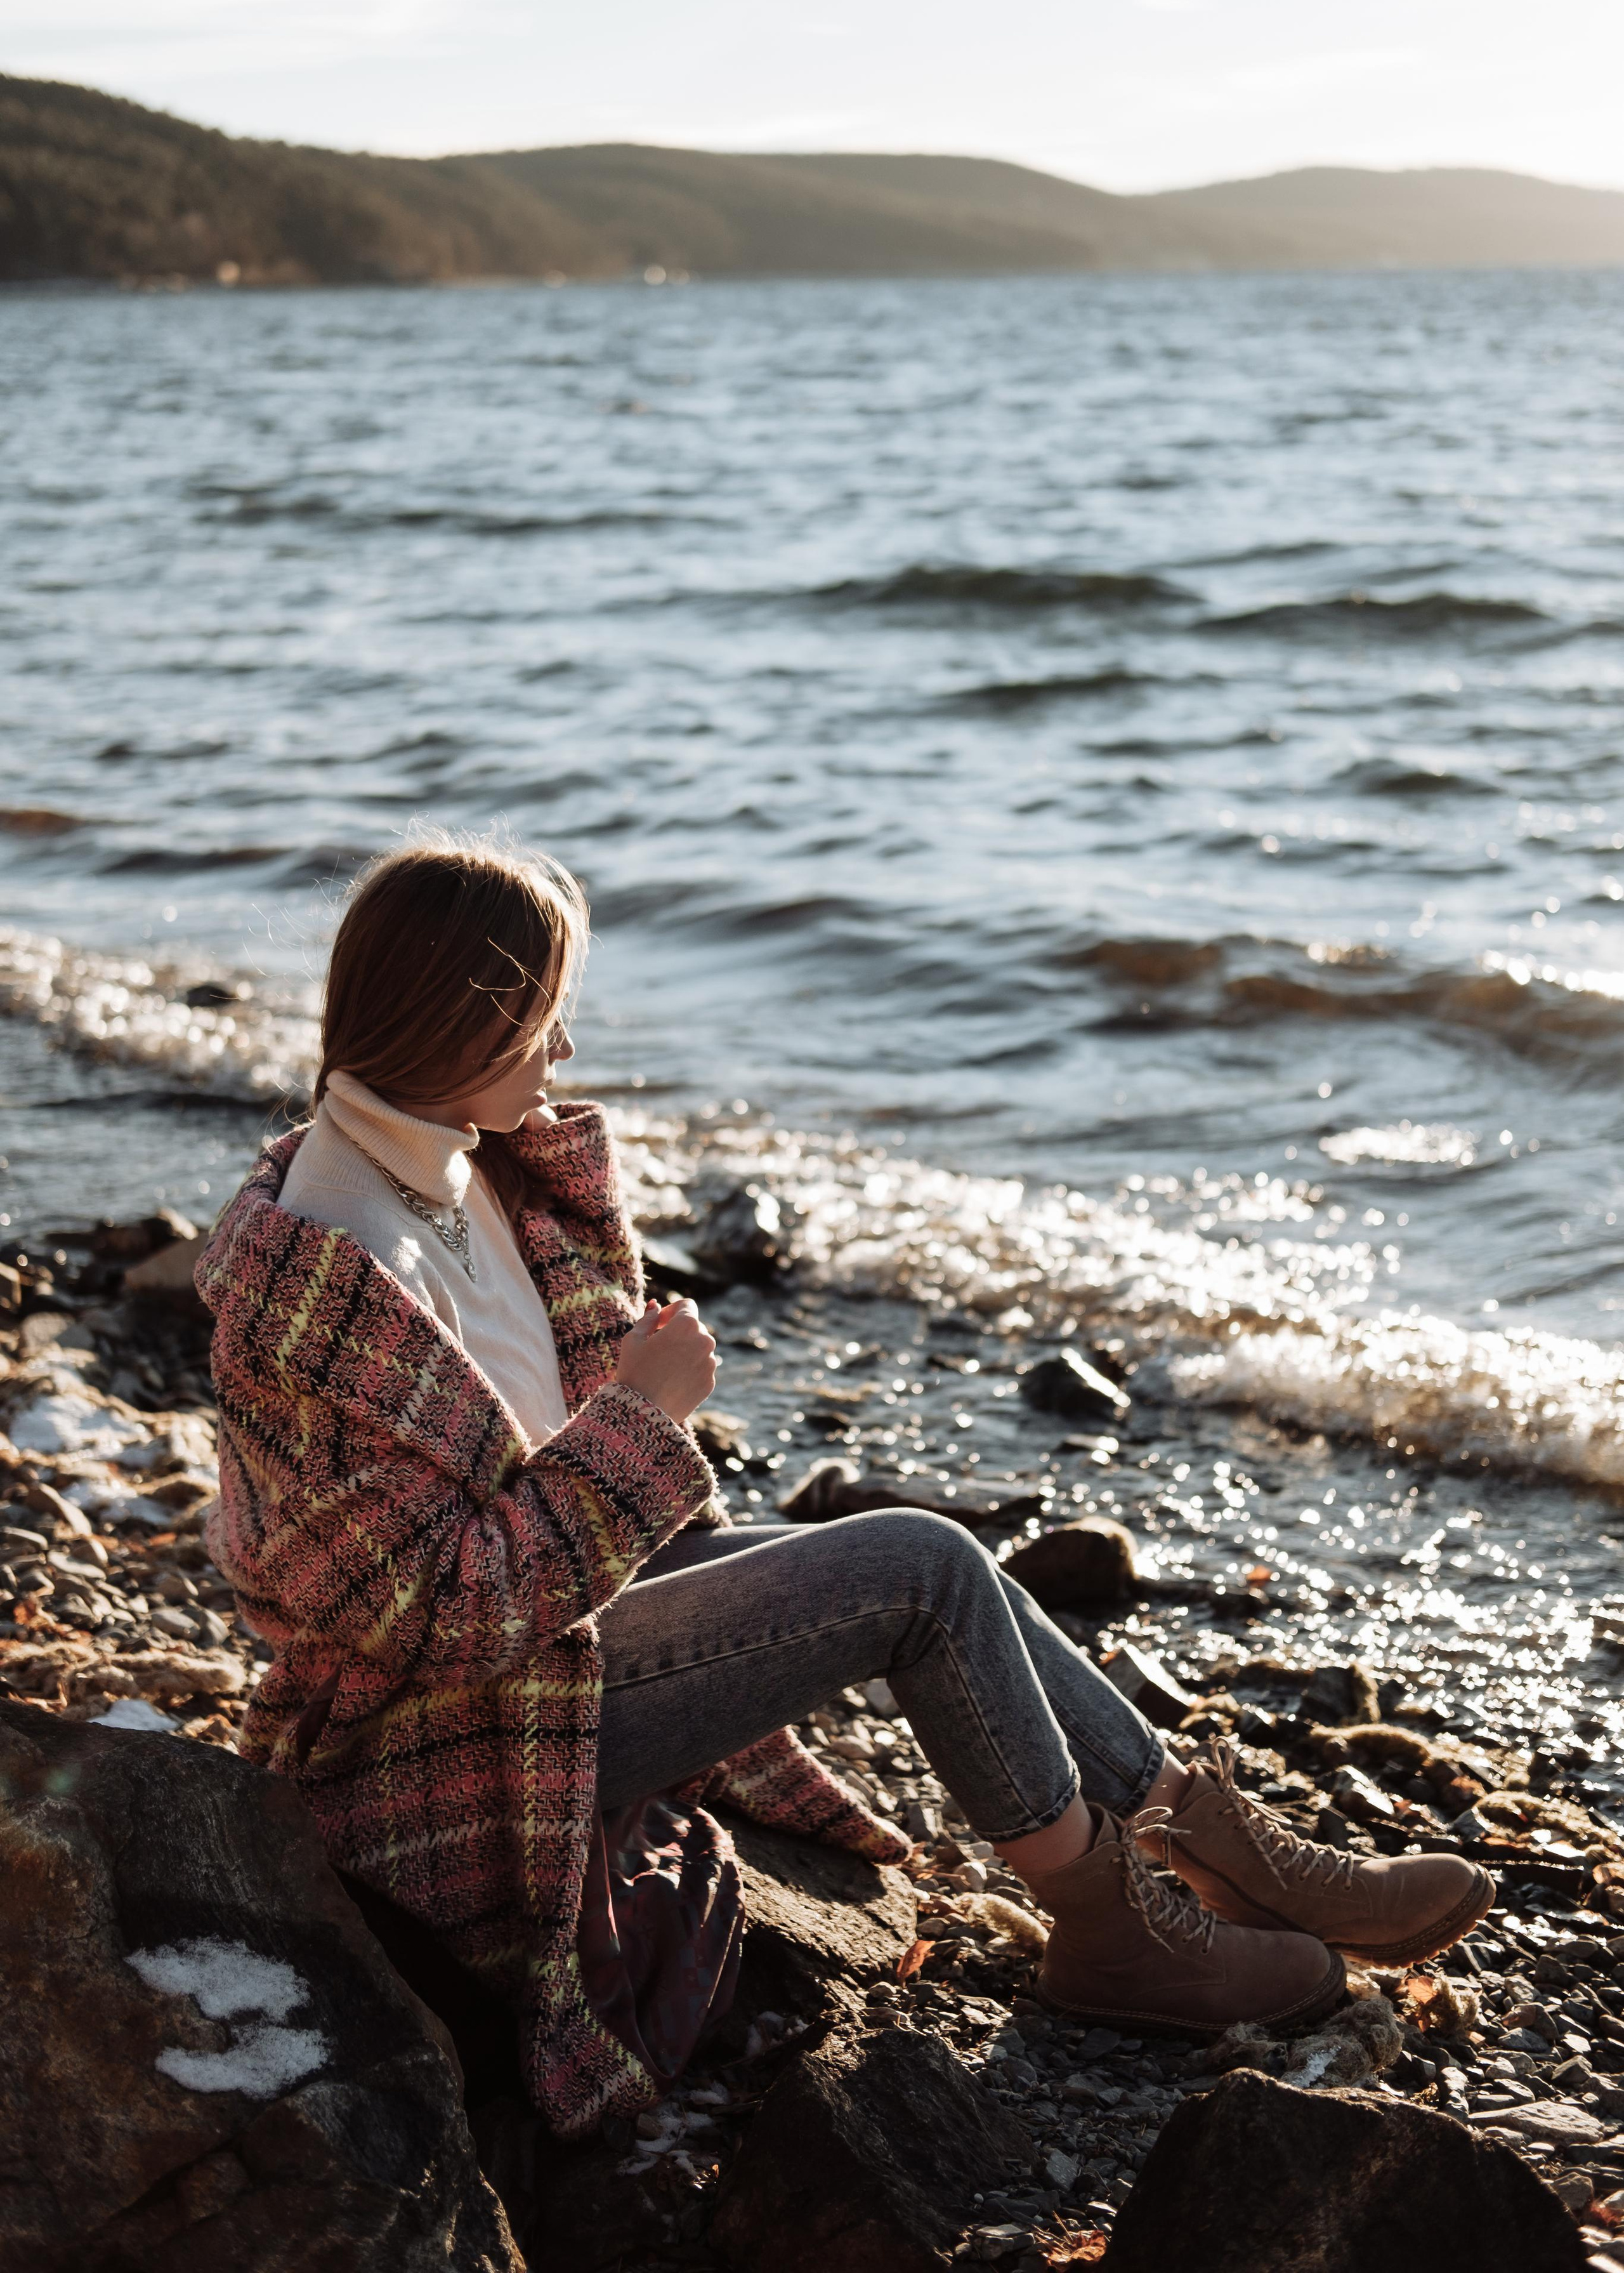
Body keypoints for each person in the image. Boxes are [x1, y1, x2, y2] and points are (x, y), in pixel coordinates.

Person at [199, 836, 1493, 2138]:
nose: (565, 1056)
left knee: (945, 1562)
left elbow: (516, 1490)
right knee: (913, 1571)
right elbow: (441, 1617)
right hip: (445, 1725)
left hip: (561, 1636)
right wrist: (640, 1415)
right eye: (545, 1021)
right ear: (462, 1020)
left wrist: (618, 1403)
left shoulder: (457, 1173)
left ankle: (1222, 1852)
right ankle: (1111, 1932)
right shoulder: (325, 1271)